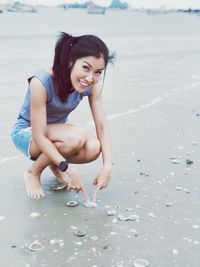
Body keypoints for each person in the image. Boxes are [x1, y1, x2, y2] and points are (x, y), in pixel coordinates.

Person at [11, 32, 114, 201]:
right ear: (70, 62)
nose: (90, 78)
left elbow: (101, 126)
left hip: (58, 134)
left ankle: (53, 164)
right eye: (86, 68)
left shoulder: (94, 84)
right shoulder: (41, 82)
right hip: (28, 134)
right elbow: (39, 136)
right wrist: (68, 168)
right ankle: (33, 172)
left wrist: (107, 166)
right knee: (76, 137)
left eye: (98, 72)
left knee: (94, 148)